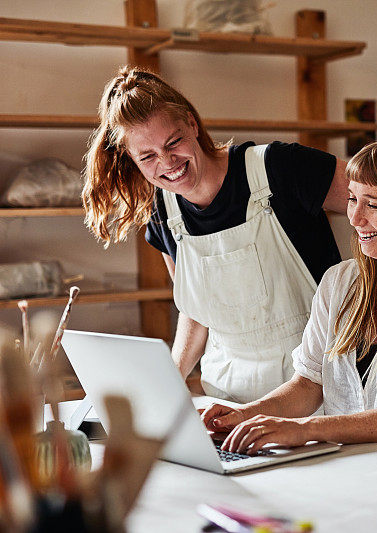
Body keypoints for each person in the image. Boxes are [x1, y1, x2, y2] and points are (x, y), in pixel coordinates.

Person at [201, 134, 377, 459]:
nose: (355, 218)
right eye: (353, 199)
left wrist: (305, 430)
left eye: (373, 204)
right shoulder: (339, 282)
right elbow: (308, 385)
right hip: (367, 466)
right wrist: (244, 414)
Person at [83, 67, 348, 403]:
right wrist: (169, 383)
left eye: (174, 141)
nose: (168, 163)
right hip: (228, 396)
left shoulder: (279, 168)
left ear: (192, 124)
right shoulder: (163, 213)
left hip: (317, 392)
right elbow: (196, 311)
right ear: (131, 159)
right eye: (147, 156)